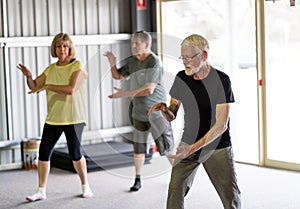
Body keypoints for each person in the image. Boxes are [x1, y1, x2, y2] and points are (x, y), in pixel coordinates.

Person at [148, 34, 241, 209]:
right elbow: (172, 114)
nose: (185, 62)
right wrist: (164, 110)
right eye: (183, 57)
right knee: (175, 187)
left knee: (229, 195)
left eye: (189, 57)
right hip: (188, 142)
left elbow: (221, 126)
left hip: (217, 146)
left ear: (204, 56)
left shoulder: (221, 80)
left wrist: (192, 148)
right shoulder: (182, 78)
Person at [17, 33, 93, 201]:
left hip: (74, 118)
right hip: (53, 118)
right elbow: (35, 86)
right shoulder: (51, 69)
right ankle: (41, 190)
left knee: (75, 153)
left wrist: (48, 85)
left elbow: (71, 89)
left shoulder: (77, 66)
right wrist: (29, 77)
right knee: (43, 153)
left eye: (65, 46)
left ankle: (85, 185)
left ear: (70, 48)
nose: (62, 50)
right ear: (54, 49)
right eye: (59, 46)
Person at [104, 30, 174, 192]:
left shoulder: (154, 62)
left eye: (137, 43)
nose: (133, 46)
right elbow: (118, 76)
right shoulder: (132, 61)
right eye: (132, 43)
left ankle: (179, 177)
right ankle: (137, 179)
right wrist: (112, 62)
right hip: (139, 113)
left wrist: (124, 94)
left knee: (167, 149)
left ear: (147, 45)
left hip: (157, 113)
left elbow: (149, 90)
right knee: (139, 148)